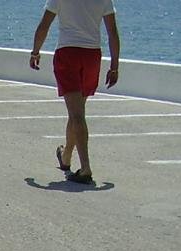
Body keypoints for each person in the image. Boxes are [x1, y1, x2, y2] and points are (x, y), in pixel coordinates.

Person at [30, 0, 120, 185]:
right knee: (77, 112)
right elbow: (112, 32)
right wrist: (114, 66)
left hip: (68, 54)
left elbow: (44, 25)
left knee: (77, 114)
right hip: (92, 56)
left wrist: (35, 52)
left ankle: (85, 168)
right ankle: (66, 156)